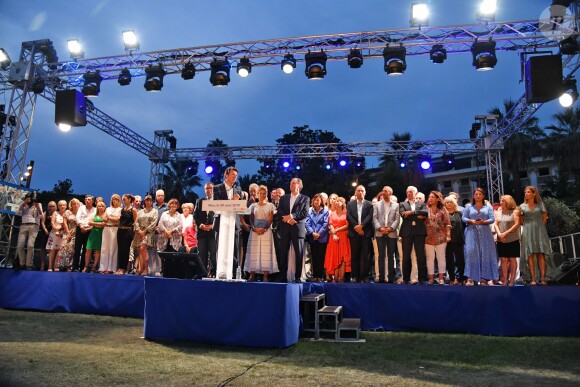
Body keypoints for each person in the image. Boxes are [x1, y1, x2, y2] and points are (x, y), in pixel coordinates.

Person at [462, 187, 498, 286]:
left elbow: (492, 219)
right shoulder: (469, 207)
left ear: (483, 196)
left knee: (485, 254)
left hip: (485, 232)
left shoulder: (488, 207)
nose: (478, 196)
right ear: (473, 195)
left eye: (480, 194)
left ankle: (484, 278)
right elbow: (463, 218)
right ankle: (471, 278)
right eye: (476, 194)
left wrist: (483, 222)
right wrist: (471, 221)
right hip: (471, 232)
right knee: (471, 254)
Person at [213, 167, 243, 279]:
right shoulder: (217, 188)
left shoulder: (238, 189)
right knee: (219, 248)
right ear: (226, 175)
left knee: (234, 249)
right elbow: (215, 205)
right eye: (233, 175)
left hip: (234, 223)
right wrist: (231, 202)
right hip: (221, 222)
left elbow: (241, 207)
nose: (235, 177)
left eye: (236, 176)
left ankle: (234, 273)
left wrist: (238, 203)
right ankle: (219, 272)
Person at [244, 185, 278, 282]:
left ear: (266, 194)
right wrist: (254, 228)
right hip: (254, 231)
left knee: (265, 252)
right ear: (257, 194)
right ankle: (252, 275)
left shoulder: (270, 205)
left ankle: (265, 276)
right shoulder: (253, 206)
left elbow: (270, 219)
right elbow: (250, 218)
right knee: (253, 252)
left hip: (266, 232)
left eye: (264, 193)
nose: (262, 195)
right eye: (260, 193)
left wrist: (265, 228)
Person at [520, 186, 553, 286]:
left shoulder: (540, 204)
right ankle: (533, 278)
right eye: (525, 192)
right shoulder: (522, 206)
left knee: (541, 253)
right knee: (530, 254)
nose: (526, 193)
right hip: (528, 230)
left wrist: (539, 227)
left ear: (534, 194)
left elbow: (544, 218)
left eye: (528, 192)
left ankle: (543, 278)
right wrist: (528, 226)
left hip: (540, 230)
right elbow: (521, 220)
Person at [278, 177, 309, 282]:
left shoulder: (305, 198)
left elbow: (304, 213)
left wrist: (291, 216)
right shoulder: (284, 198)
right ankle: (283, 277)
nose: (291, 184)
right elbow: (280, 211)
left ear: (299, 186)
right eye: (290, 183)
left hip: (297, 228)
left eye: (294, 183)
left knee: (299, 254)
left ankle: (297, 277)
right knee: (283, 254)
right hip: (285, 228)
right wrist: (287, 220)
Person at [399, 186, 428, 284]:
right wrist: (418, 216)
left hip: (419, 232)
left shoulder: (421, 203)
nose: (409, 193)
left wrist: (412, 212)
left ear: (415, 193)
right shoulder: (402, 204)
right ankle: (406, 279)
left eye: (411, 192)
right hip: (407, 232)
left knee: (420, 256)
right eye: (407, 192)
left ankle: (422, 278)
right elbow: (403, 214)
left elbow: (426, 212)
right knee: (406, 256)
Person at [346, 185, 374, 283]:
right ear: (355, 193)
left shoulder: (369, 204)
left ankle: (365, 276)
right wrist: (357, 227)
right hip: (354, 233)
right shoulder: (350, 204)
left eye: (362, 190)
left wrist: (361, 226)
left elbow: (370, 217)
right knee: (355, 256)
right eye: (359, 191)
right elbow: (348, 216)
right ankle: (355, 276)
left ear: (365, 192)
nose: (360, 192)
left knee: (365, 256)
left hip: (365, 233)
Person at [373, 186, 400, 283]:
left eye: (386, 191)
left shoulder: (396, 205)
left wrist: (391, 228)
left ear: (390, 193)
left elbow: (397, 219)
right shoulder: (377, 204)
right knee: (381, 256)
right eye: (383, 190)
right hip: (380, 232)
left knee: (391, 256)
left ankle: (391, 278)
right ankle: (381, 278)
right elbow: (374, 218)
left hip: (391, 233)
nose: (383, 192)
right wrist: (380, 228)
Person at [425, 191, 451, 285]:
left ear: (437, 199)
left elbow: (447, 223)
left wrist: (448, 235)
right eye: (429, 197)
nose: (430, 199)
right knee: (430, 258)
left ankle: (441, 278)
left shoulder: (443, 209)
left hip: (441, 237)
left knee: (441, 258)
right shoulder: (426, 209)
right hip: (428, 238)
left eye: (432, 197)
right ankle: (431, 278)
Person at [324, 197, 350, 282]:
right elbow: (330, 224)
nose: (337, 202)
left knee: (342, 258)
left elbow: (347, 225)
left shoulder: (346, 213)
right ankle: (335, 277)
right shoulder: (332, 213)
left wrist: (337, 230)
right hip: (333, 237)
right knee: (335, 256)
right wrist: (334, 233)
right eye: (336, 201)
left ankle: (341, 277)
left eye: (339, 201)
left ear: (343, 203)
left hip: (343, 237)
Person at [16, 192, 43, 270]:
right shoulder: (23, 204)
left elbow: (41, 216)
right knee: (20, 245)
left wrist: (37, 206)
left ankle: (29, 265)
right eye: (29, 198)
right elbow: (17, 213)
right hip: (24, 225)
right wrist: (24, 203)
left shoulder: (38, 204)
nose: (31, 199)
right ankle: (22, 264)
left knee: (30, 245)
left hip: (34, 225)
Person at [305, 193, 330, 282]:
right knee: (314, 257)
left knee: (321, 257)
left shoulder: (325, 211)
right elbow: (307, 223)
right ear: (313, 201)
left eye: (318, 200)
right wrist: (312, 233)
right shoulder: (309, 211)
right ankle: (315, 276)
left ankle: (320, 276)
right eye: (315, 200)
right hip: (312, 237)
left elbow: (325, 224)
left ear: (321, 201)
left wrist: (318, 234)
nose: (317, 202)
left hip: (322, 237)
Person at [194, 182, 217, 277]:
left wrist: (213, 225)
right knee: (201, 255)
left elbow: (220, 216)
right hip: (202, 232)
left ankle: (213, 273)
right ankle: (202, 273)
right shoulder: (200, 201)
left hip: (213, 232)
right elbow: (195, 216)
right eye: (207, 188)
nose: (209, 190)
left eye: (210, 188)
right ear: (204, 190)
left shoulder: (217, 202)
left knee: (213, 255)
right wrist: (201, 225)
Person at [132, 195, 158, 276]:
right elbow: (136, 222)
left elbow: (154, 223)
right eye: (147, 200)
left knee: (143, 248)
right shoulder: (140, 212)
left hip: (148, 234)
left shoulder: (154, 211)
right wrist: (139, 230)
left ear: (152, 202)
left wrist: (145, 231)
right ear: (145, 201)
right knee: (141, 250)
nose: (149, 202)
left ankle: (146, 269)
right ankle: (140, 268)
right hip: (139, 233)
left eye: (150, 201)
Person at [444, 195, 465, 285]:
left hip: (459, 240)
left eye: (451, 202)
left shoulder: (459, 213)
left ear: (454, 203)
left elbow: (463, 226)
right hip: (447, 241)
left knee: (460, 260)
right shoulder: (443, 214)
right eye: (447, 202)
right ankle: (452, 279)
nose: (449, 204)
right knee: (449, 260)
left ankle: (462, 278)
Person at [55, 198, 81, 271]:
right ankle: (60, 265)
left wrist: (74, 231)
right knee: (63, 249)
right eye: (74, 204)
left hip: (76, 233)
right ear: (71, 205)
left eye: (77, 203)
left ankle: (69, 266)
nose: (75, 205)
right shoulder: (67, 212)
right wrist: (68, 233)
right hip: (67, 233)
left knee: (72, 250)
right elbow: (65, 223)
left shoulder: (80, 212)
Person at [99, 194, 122, 274]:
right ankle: (103, 267)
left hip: (115, 229)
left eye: (116, 199)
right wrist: (111, 218)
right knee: (105, 247)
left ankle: (111, 268)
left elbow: (118, 219)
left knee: (113, 248)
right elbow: (103, 218)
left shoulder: (120, 209)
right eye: (113, 199)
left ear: (119, 201)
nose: (114, 200)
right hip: (106, 228)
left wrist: (109, 218)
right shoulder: (108, 209)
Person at [73, 195, 96, 272]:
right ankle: (75, 267)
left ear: (92, 201)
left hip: (90, 230)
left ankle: (83, 267)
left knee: (87, 249)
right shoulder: (81, 208)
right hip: (80, 228)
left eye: (89, 199)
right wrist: (81, 226)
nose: (87, 201)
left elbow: (95, 220)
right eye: (86, 199)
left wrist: (88, 228)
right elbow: (77, 217)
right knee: (77, 248)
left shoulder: (95, 210)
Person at [116, 194, 137, 275]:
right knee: (120, 250)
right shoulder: (122, 210)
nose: (123, 201)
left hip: (128, 231)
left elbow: (135, 222)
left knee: (126, 250)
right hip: (120, 231)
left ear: (129, 199)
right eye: (123, 199)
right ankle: (120, 267)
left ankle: (124, 268)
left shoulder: (133, 210)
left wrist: (134, 232)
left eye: (124, 199)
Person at [84, 201, 106, 273]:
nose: (101, 207)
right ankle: (86, 266)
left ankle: (94, 266)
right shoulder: (94, 215)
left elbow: (103, 224)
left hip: (100, 233)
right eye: (99, 206)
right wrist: (98, 224)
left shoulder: (105, 215)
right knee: (88, 249)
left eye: (102, 206)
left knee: (97, 250)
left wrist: (94, 223)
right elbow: (89, 222)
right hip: (93, 233)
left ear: (104, 207)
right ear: (97, 207)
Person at [46, 200, 68, 272]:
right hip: (54, 233)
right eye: (60, 205)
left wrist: (60, 228)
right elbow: (52, 222)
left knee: (59, 250)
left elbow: (66, 224)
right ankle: (50, 266)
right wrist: (56, 229)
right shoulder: (56, 213)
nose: (62, 206)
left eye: (63, 205)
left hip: (62, 233)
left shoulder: (67, 213)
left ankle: (56, 266)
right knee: (52, 250)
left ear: (66, 206)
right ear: (58, 206)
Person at [38, 201, 56, 271]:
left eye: (53, 206)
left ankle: (51, 265)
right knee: (43, 248)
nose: (51, 207)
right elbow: (42, 222)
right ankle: (42, 264)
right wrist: (45, 230)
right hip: (45, 232)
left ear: (56, 207)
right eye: (50, 206)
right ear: (48, 207)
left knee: (52, 249)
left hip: (54, 233)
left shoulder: (57, 213)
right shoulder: (46, 213)